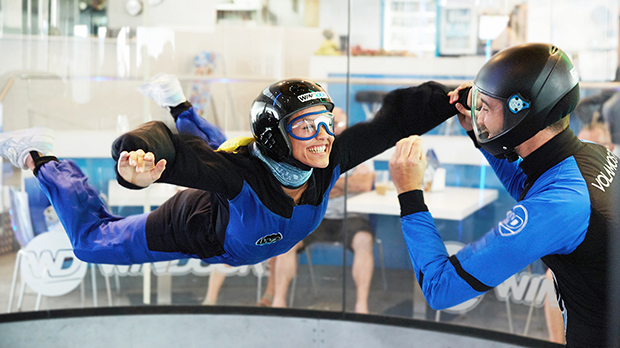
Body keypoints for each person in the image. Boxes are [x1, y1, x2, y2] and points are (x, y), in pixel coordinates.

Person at [0, 74, 465, 272]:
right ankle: (42, 156)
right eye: (307, 127)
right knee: (90, 244)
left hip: (238, 198)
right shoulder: (241, 177)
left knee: (225, 145)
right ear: (277, 136)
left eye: (327, 122)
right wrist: (138, 160)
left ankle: (177, 99)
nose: (324, 136)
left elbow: (394, 122)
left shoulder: (328, 161)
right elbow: (180, 154)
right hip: (197, 226)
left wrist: (451, 99)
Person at [389, 43, 618, 347]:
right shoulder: (593, 156)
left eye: (485, 106)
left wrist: (410, 195)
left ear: (520, 111)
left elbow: (441, 288)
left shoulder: (559, 206)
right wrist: (479, 131)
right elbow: (532, 185)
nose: (478, 115)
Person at [261, 107, 376, 313]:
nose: (333, 129)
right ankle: (278, 303)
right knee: (286, 243)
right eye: (332, 124)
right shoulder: (313, 147)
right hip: (316, 215)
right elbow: (300, 187)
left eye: (338, 124)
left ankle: (362, 306)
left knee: (364, 241)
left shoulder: (358, 149)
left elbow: (365, 183)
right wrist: (342, 185)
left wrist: (326, 185)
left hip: (351, 217)